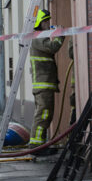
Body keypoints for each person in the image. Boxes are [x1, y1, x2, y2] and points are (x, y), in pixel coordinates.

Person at [28, 10, 65, 146]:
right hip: (43, 84)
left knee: (45, 114)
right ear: (39, 22)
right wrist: (60, 35)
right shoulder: (38, 37)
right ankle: (36, 145)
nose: (48, 23)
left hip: (45, 84)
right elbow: (52, 47)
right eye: (46, 21)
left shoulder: (39, 36)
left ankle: (39, 143)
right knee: (43, 115)